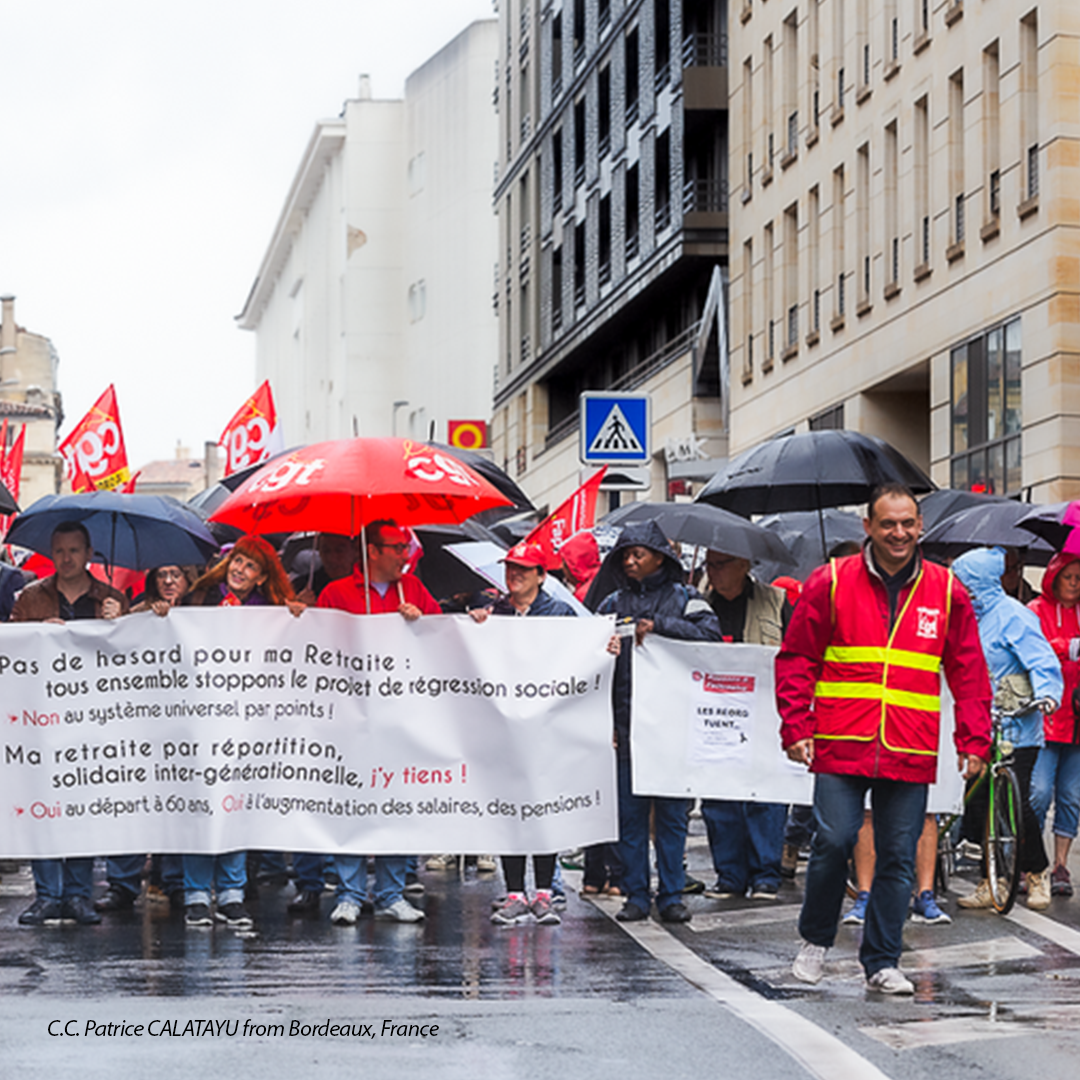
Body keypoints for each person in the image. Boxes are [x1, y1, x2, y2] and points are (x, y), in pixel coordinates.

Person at [777, 484, 991, 994]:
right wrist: (795, 725)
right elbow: (797, 659)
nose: (899, 533)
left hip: (909, 745)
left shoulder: (946, 590)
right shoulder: (829, 581)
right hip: (841, 739)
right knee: (832, 840)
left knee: (897, 855)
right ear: (868, 528)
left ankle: (881, 962)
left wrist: (974, 739)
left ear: (920, 527)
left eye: (907, 524)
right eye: (888, 524)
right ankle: (815, 940)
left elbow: (968, 669)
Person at [597, 521, 722, 924]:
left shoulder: (688, 598)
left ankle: (671, 895)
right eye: (625, 555)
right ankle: (636, 895)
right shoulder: (610, 603)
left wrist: (660, 626)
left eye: (638, 554)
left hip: (673, 728)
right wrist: (602, 648)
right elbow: (587, 656)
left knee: (671, 817)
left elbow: (712, 638)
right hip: (625, 728)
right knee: (630, 818)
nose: (630, 561)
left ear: (659, 558)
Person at [318, 519, 440, 924]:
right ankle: (350, 894)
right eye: (398, 547)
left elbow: (443, 639)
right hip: (349, 718)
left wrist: (421, 623)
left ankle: (391, 893)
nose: (406, 555)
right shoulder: (335, 593)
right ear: (373, 551)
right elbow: (316, 649)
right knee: (349, 804)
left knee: (396, 805)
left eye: (405, 547)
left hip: (399, 718)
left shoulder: (415, 589)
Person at [180, 536, 304, 929]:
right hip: (201, 717)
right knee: (201, 806)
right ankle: (196, 894)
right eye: (237, 560)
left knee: (236, 806)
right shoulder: (199, 598)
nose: (240, 570)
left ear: (262, 577)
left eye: (251, 566)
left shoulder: (270, 611)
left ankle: (231, 894)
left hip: (247, 722)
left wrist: (297, 618)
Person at [13, 522, 129, 927]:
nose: (66, 558)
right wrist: (33, 634)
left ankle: (78, 894)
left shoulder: (111, 599)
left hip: (92, 720)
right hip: (40, 719)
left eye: (74, 550)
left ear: (89, 553)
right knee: (41, 806)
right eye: (59, 550)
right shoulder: (31, 597)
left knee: (82, 807)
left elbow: (132, 657)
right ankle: (47, 894)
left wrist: (120, 622)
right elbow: (11, 652)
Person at [467, 541, 576, 926]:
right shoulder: (494, 614)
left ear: (541, 576)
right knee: (510, 809)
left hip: (548, 729)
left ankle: (544, 892)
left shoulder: (561, 614)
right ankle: (515, 892)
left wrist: (605, 647)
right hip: (506, 729)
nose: (513, 575)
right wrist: (475, 626)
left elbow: (584, 655)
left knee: (544, 808)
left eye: (523, 569)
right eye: (510, 567)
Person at [952, 546, 1061, 910]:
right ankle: (990, 878)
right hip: (978, 723)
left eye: (964, 584)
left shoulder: (1014, 616)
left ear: (979, 583)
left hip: (1017, 724)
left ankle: (1038, 873)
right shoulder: (965, 618)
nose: (960, 590)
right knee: (978, 803)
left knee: (1017, 805)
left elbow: (1041, 660)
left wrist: (1047, 694)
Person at [94, 563, 202, 915]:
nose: (168, 581)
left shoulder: (205, 613)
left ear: (188, 578)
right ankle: (122, 884)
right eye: (162, 575)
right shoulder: (138, 612)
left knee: (179, 807)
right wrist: (120, 620)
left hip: (185, 726)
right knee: (133, 802)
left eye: (176, 574)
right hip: (139, 724)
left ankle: (176, 882)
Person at [699, 549, 791, 900]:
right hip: (715, 715)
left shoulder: (776, 601)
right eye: (709, 565)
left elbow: (795, 650)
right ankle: (730, 876)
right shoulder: (699, 605)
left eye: (720, 565)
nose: (713, 572)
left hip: (764, 714)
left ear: (744, 564)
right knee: (718, 796)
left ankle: (766, 874)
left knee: (766, 794)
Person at [1028, 552, 1080, 898]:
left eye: (1079, 578)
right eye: (1068, 577)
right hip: (1045, 718)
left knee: (1072, 796)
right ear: (1054, 577)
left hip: (1077, 720)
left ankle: (1060, 865)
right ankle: (1030, 861)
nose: (1074, 583)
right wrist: (1065, 647)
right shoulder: (1035, 610)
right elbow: (1030, 650)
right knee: (1038, 792)